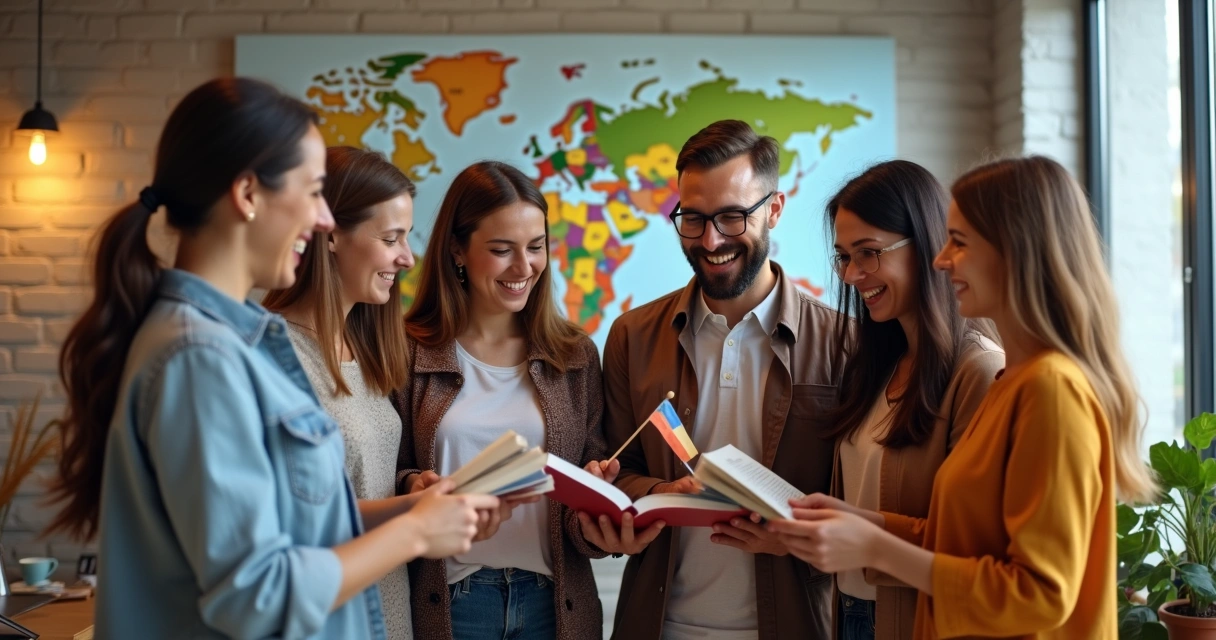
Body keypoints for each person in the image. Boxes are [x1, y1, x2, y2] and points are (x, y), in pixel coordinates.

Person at [45, 78, 495, 640]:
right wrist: (418, 533)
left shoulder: (221, 346)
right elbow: (256, 595)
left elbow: (299, 526)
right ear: (249, 194)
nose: (324, 219)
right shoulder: (200, 357)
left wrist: (414, 511)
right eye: (311, 193)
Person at [770, 156, 1159, 639]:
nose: (940, 259)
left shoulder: (1050, 389)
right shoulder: (1013, 382)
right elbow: (964, 540)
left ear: (1015, 251)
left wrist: (874, 547)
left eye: (958, 242)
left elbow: (1042, 595)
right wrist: (862, 523)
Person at [393, 160, 656, 640]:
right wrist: (413, 485)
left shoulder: (573, 356)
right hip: (451, 601)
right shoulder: (406, 350)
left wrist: (598, 509)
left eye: (536, 248)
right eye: (501, 250)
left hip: (553, 605)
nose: (523, 268)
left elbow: (584, 505)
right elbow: (383, 476)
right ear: (457, 250)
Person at [602, 119, 841, 639]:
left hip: (796, 625)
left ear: (774, 209)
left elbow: (860, 500)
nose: (711, 240)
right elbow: (618, 472)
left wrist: (794, 533)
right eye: (693, 218)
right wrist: (666, 492)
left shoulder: (843, 343)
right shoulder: (632, 336)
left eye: (732, 217)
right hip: (660, 625)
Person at [263, 146, 444, 640]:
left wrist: (411, 490)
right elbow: (297, 518)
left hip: (386, 610)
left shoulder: (365, 351)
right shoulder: (274, 358)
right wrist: (417, 514)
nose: (406, 258)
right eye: (391, 238)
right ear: (330, 236)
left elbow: (362, 485)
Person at [822, 160, 1003, 640]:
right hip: (850, 612)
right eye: (843, 256)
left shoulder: (979, 372)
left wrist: (863, 533)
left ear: (927, 246)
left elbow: (974, 544)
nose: (851, 275)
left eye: (869, 253)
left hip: (913, 620)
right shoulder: (874, 363)